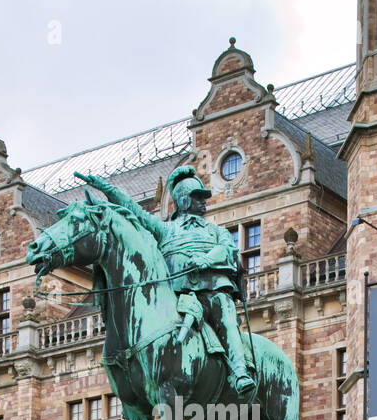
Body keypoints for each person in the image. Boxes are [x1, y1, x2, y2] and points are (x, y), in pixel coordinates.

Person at [75, 167, 256, 396]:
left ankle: (240, 372)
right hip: (177, 296)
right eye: (197, 197)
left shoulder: (215, 231)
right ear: (182, 200)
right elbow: (134, 210)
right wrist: (105, 187)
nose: (203, 202)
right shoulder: (166, 230)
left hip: (212, 290)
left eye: (203, 197)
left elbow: (228, 250)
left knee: (228, 319)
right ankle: (140, 386)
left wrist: (205, 259)